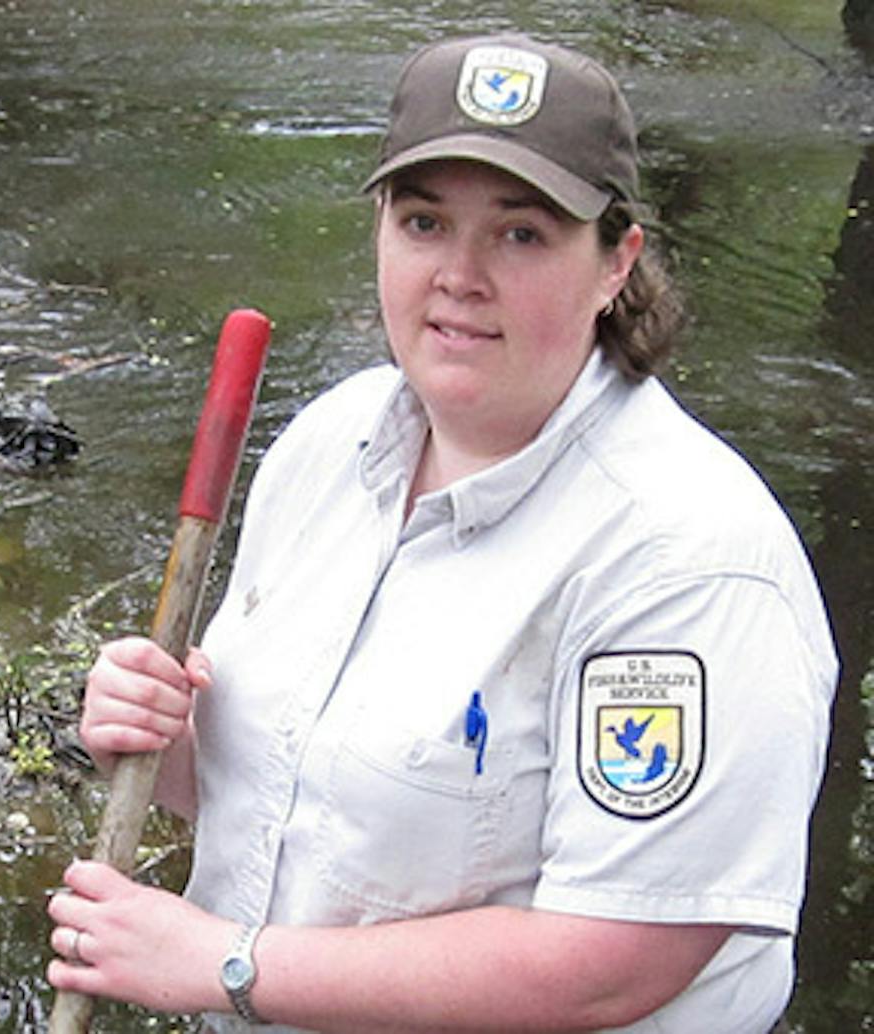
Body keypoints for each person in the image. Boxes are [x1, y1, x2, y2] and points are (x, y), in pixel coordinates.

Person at [45, 32, 837, 1033]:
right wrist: (160, 742)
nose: (460, 274)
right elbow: (299, 808)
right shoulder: (331, 443)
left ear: (616, 262)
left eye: (521, 235)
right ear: (379, 228)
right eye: (425, 222)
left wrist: (231, 961)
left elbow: (614, 959)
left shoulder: (688, 560)